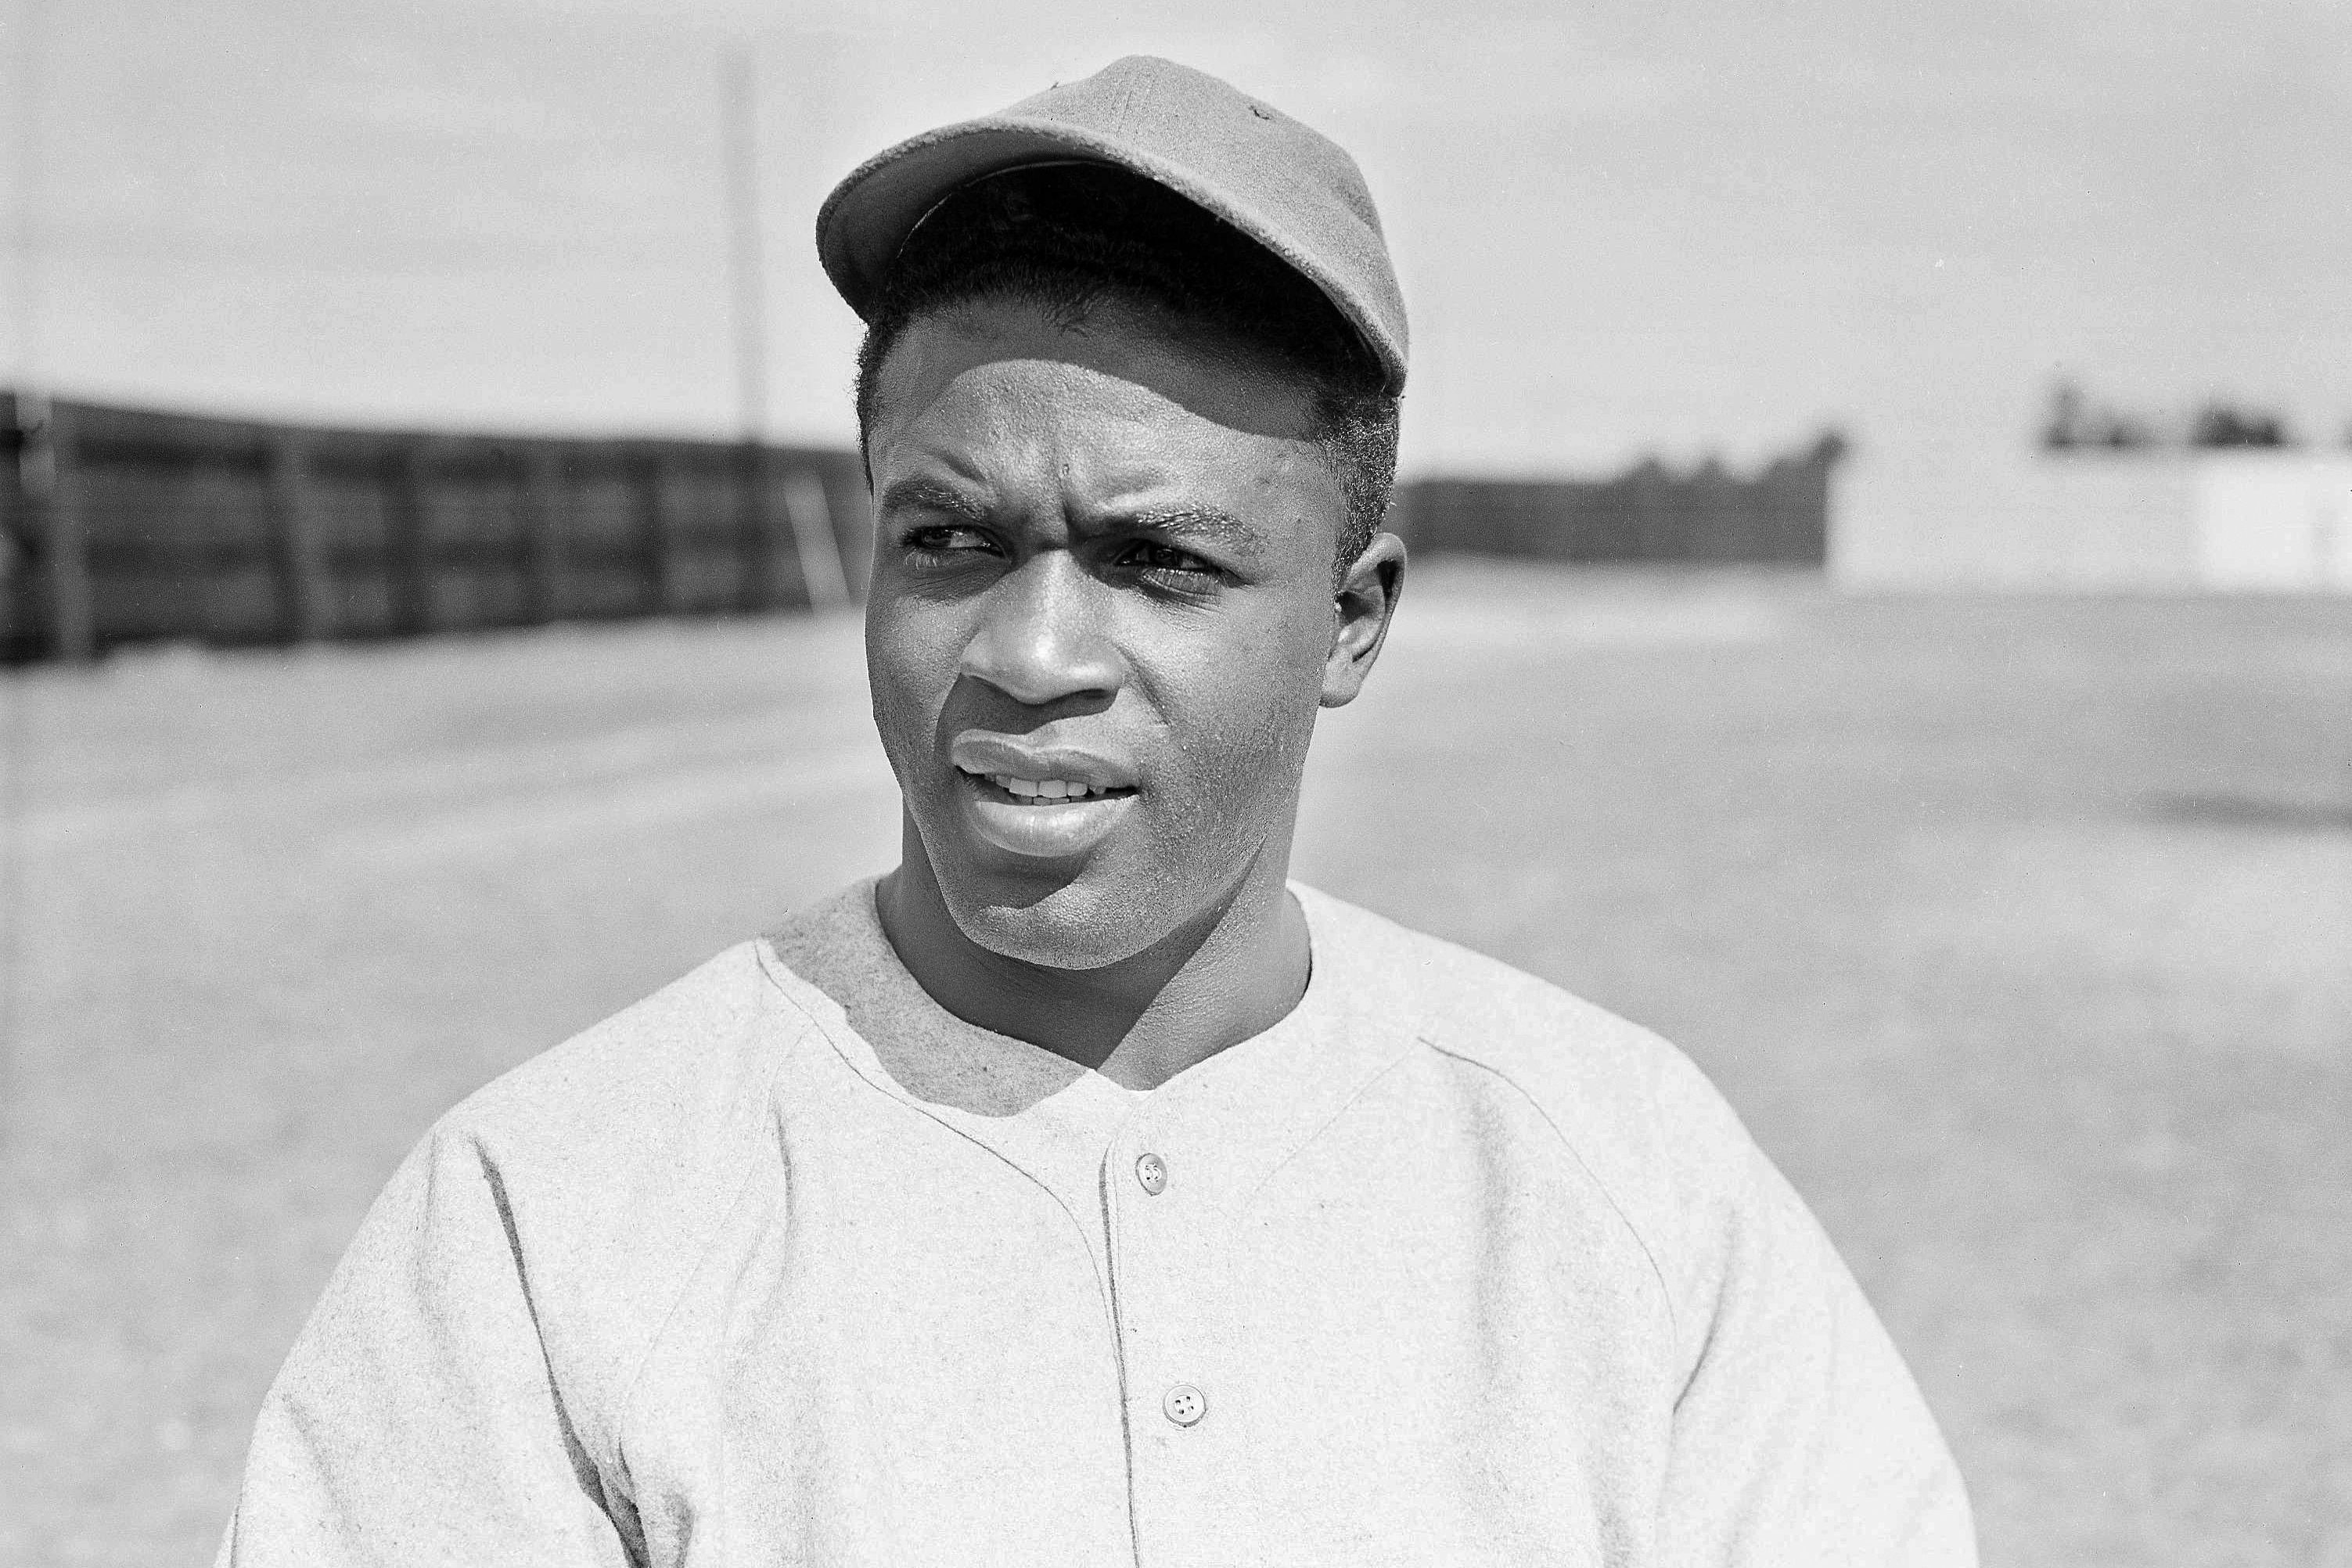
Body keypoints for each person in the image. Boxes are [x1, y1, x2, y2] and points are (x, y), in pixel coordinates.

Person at [214, 56, 1974, 1566]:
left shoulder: (1620, 1178)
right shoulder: (555, 1214)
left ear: (1350, 622)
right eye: (950, 541)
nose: (1030, 653)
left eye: (1159, 562)